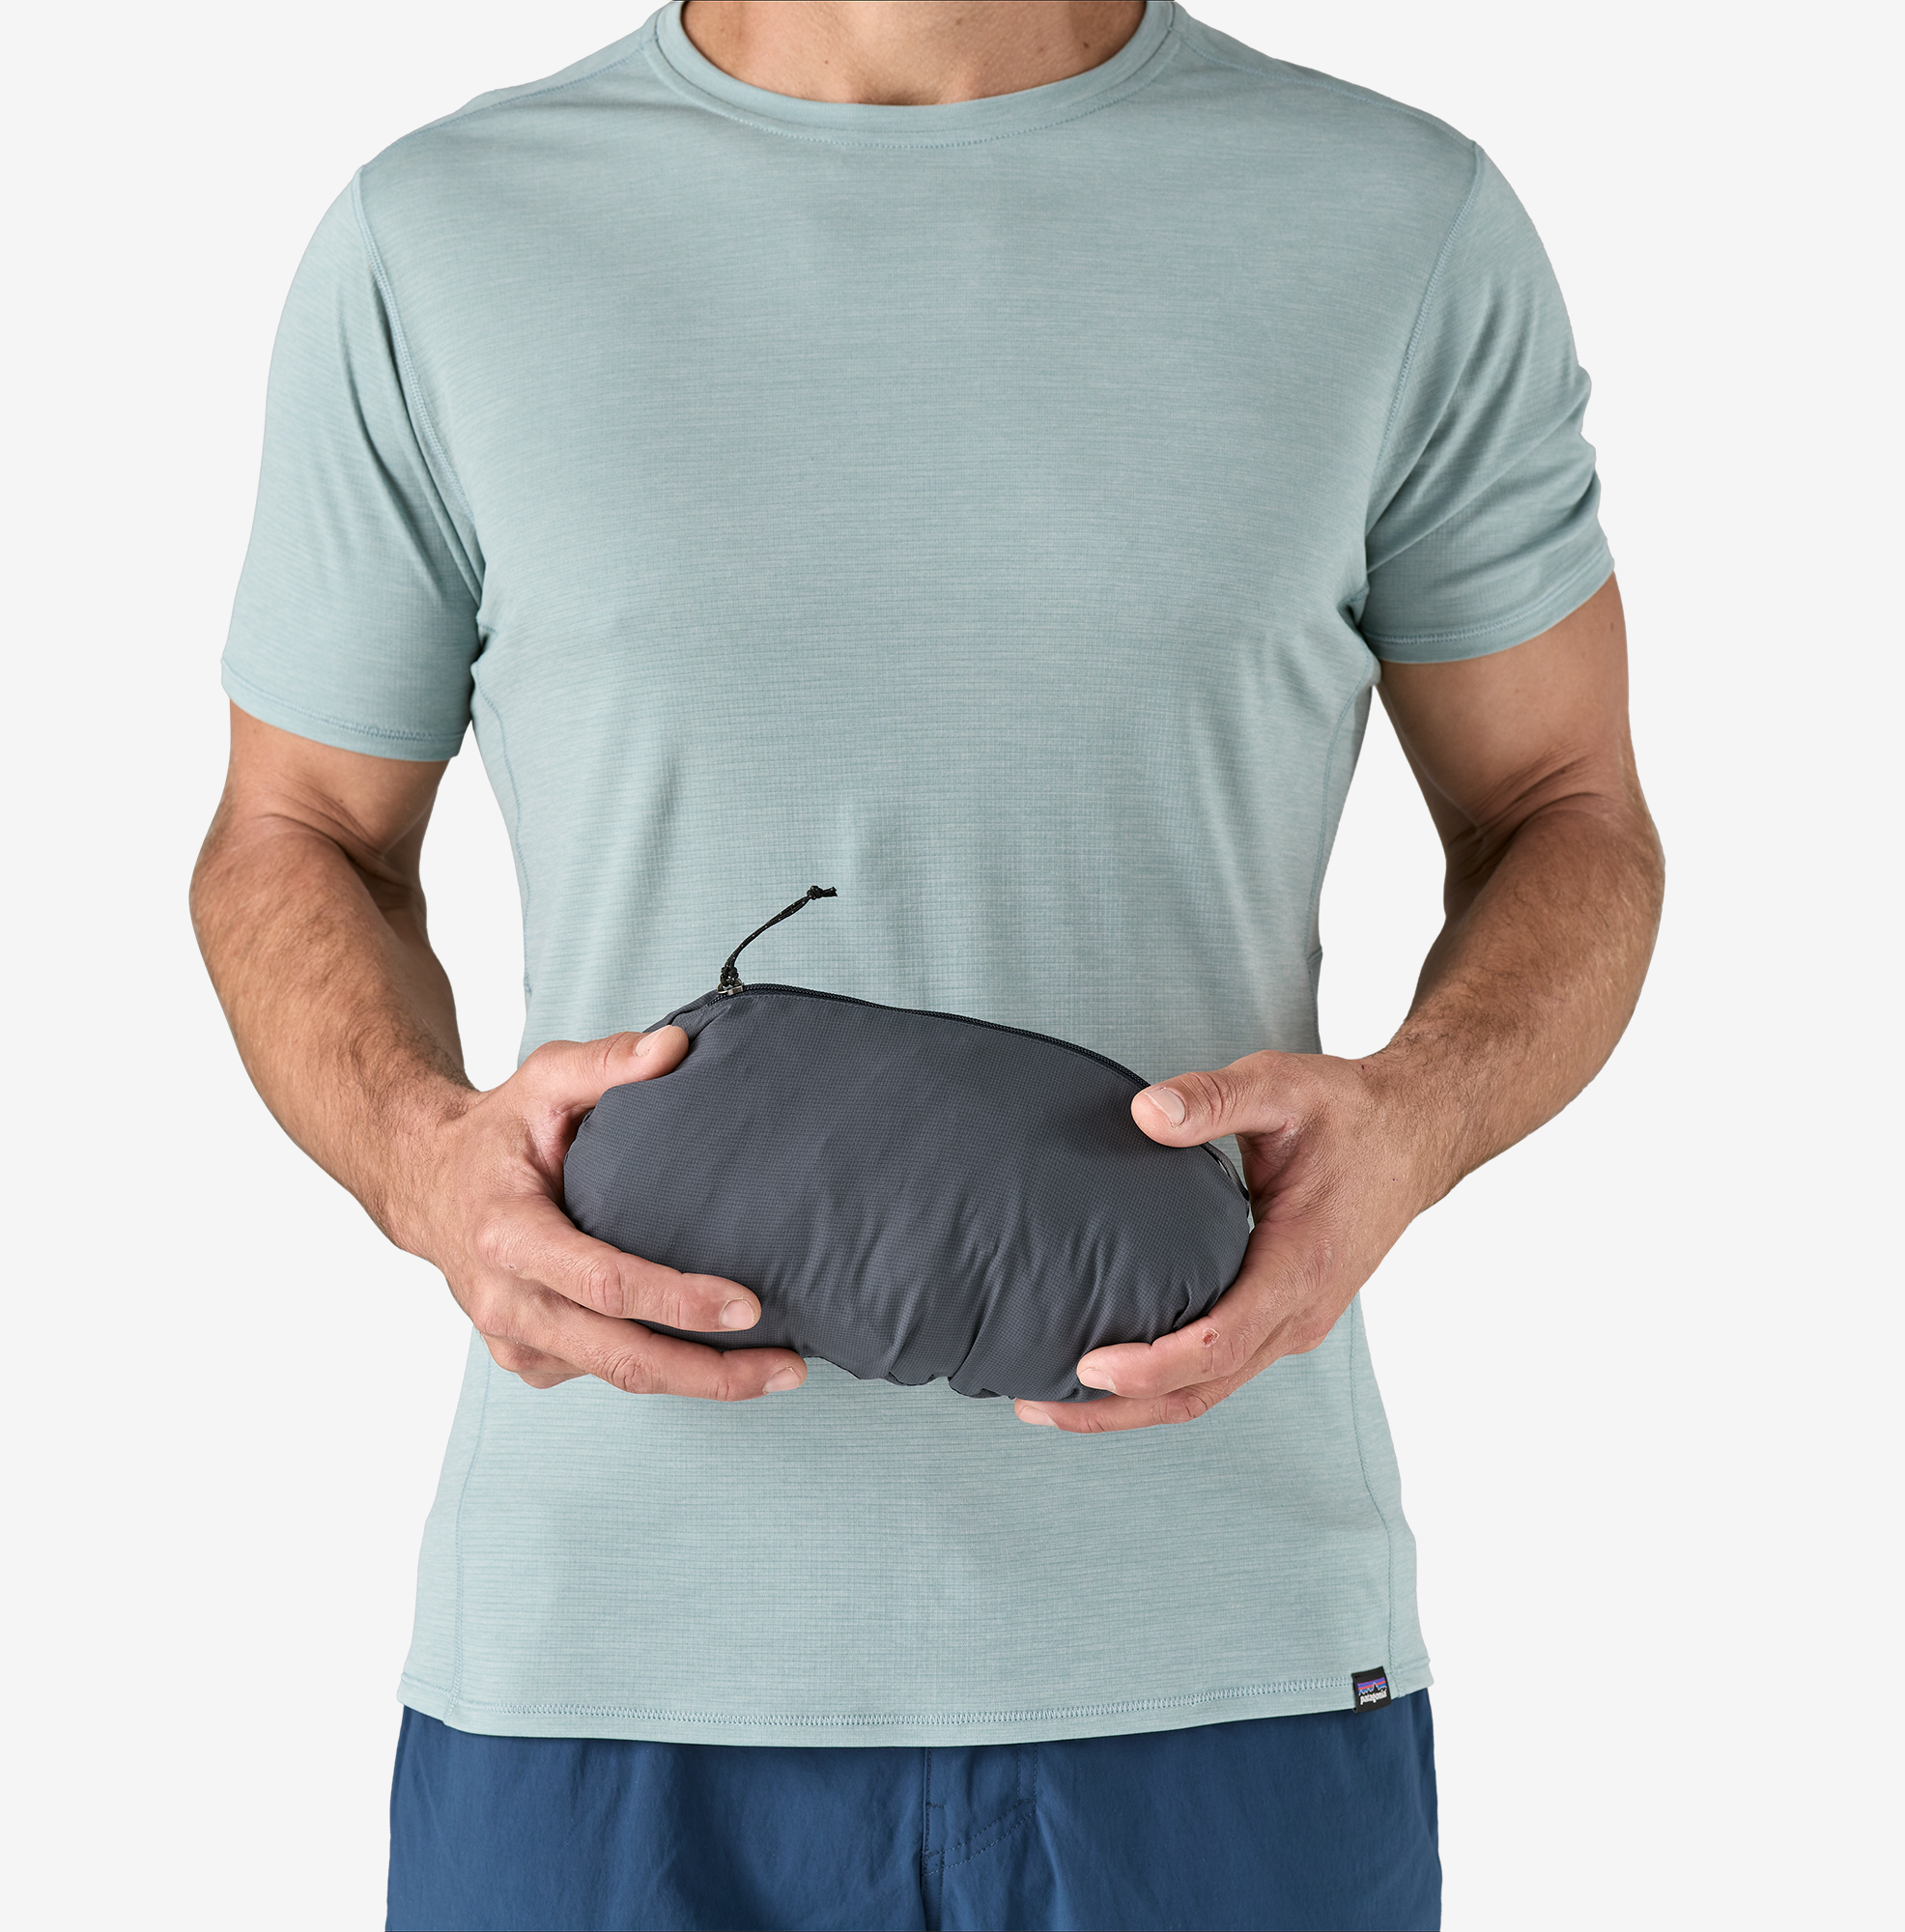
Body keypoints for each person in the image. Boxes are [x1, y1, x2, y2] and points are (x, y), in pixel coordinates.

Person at [190, 3, 1663, 1926]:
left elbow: (1568, 808)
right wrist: (419, 1158)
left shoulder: (1392, 223)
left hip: (1214, 1661)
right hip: (609, 1672)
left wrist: (1417, 1115)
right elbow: (295, 828)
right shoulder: (447, 234)